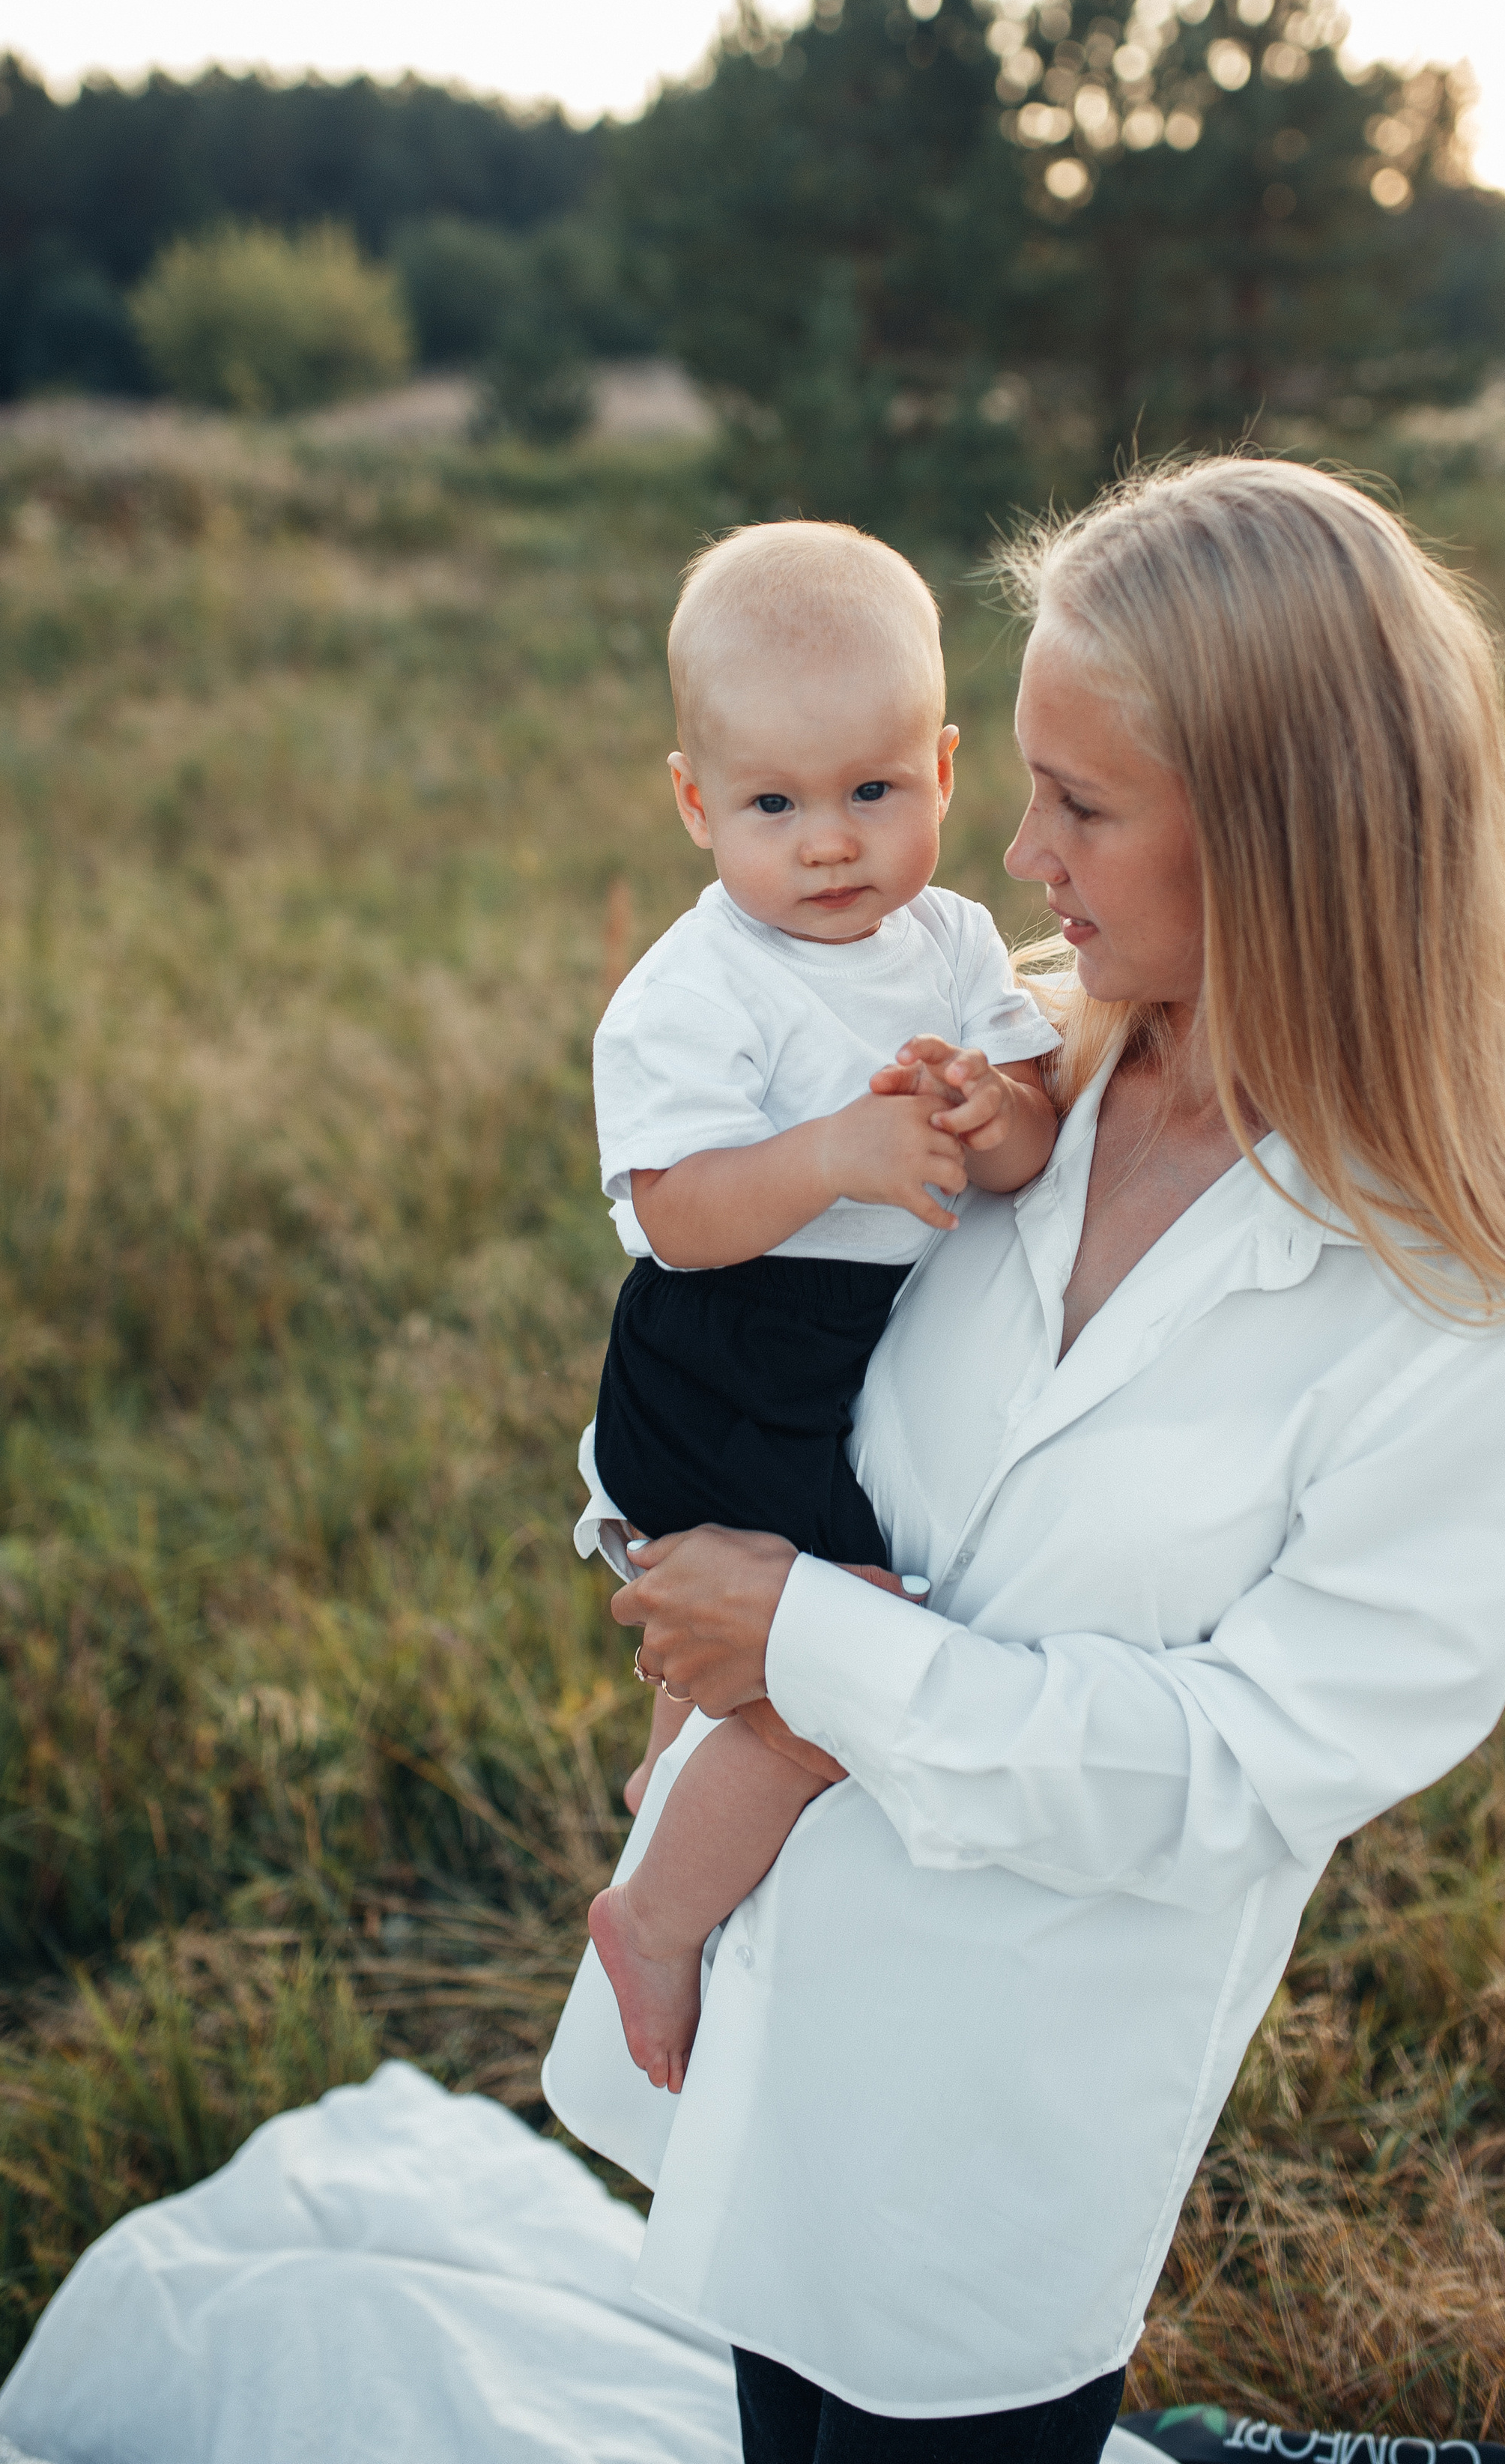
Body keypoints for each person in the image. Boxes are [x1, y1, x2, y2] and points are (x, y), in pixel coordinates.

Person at [543, 457, 1505, 2464]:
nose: (1015, 847)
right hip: (761, 2003)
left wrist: (806, 1644)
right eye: (1024, 779)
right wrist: (676, 1576)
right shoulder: (1003, 1079)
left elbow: (1250, 1760)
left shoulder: (1492, 1294)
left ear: (1285, 836)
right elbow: (746, 1360)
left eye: (1083, 801)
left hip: (1001, 2096)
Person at [578, 521, 1062, 2095]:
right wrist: (835, 1155)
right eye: (773, 805)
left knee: (793, 1655)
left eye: (869, 791)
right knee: (835, 1658)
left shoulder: (956, 945)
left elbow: (1029, 1139)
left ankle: (674, 1785)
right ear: (693, 803)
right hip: (723, 1358)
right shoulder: (696, 988)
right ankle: (652, 1918)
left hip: (838, 1358)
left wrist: (986, 1118)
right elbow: (671, 1217)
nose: (829, 842)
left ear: (937, 767)